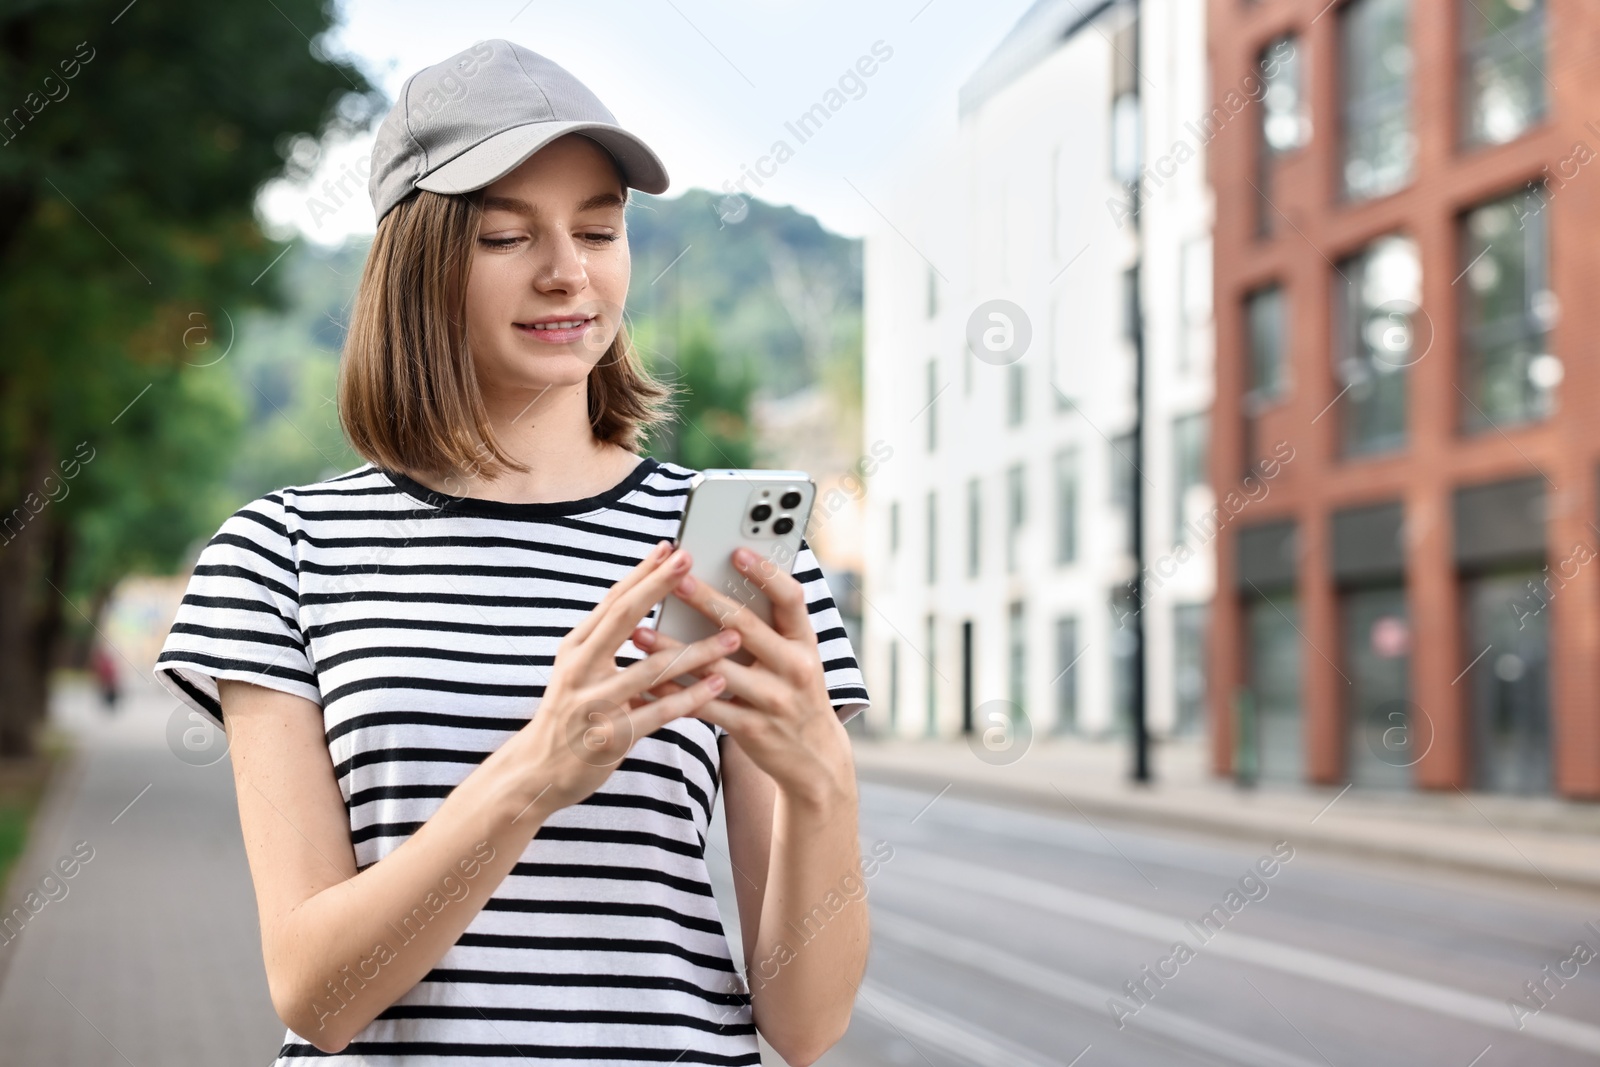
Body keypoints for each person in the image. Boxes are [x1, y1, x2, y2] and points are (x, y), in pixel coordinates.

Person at [154, 40, 870, 1067]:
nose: (566, 270)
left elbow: (808, 1025)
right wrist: (534, 771)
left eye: (598, 228)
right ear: (419, 264)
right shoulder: (283, 555)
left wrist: (822, 783)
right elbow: (317, 995)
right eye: (504, 233)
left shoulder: (730, 556)